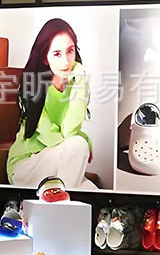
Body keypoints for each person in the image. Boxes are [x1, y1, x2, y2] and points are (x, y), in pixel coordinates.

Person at [7, 18, 96, 190]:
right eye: (57, 54)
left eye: (70, 51)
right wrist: (84, 139)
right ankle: (60, 202)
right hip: (26, 165)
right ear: (45, 57)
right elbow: (55, 138)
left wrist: (81, 80)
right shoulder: (34, 86)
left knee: (92, 191)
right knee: (79, 144)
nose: (66, 61)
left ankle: (59, 199)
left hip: (55, 163)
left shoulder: (74, 84)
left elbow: (68, 131)